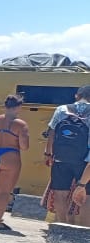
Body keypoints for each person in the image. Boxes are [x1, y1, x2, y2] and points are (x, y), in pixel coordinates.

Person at [44, 84, 90, 225]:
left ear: (77, 95)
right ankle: (84, 231)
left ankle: (61, 227)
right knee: (87, 196)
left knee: (60, 193)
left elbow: (51, 131)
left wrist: (48, 153)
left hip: (60, 158)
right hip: (84, 160)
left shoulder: (62, 109)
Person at [0, 95, 30, 230]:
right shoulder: (21, 124)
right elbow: (24, 146)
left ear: (5, 106)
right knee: (5, 191)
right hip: (11, 157)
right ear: (18, 107)